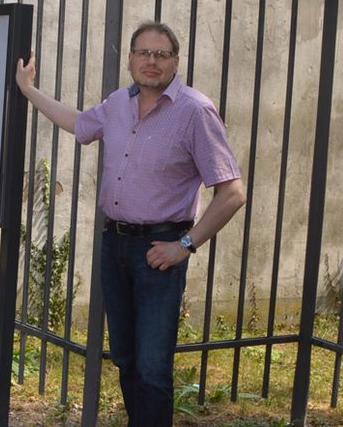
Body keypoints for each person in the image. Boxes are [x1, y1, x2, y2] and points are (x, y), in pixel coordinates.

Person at [15, 21, 246, 426]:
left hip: (159, 251)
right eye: (143, 52)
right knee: (124, 358)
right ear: (130, 59)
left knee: (152, 365)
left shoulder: (195, 111)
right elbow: (79, 123)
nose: (151, 61)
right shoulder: (118, 104)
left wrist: (184, 246)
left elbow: (232, 192)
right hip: (115, 245)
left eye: (160, 54)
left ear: (175, 61)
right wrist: (29, 90)